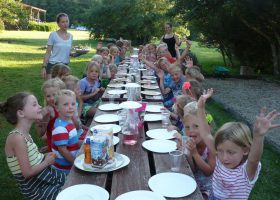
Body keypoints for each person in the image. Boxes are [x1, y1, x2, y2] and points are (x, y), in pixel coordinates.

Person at [197, 88, 280, 199]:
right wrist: (200, 107)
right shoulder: (219, 155)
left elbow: (254, 159)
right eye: (220, 150)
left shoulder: (246, 172)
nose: (224, 157)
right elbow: (205, 133)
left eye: (231, 152)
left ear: (245, 150)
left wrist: (258, 136)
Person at [0, 92, 66, 200]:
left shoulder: (24, 135)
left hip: (45, 180)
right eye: (34, 104)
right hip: (38, 191)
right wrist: (46, 162)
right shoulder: (17, 138)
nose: (40, 106)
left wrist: (43, 156)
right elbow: (27, 173)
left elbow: (31, 159)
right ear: (21, 113)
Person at [52, 90, 80, 174]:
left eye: (73, 104)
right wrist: (76, 163)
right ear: (57, 108)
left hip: (71, 163)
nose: (70, 107)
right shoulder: (60, 128)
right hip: (65, 169)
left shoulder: (68, 121)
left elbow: (72, 141)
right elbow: (63, 151)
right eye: (66, 104)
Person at [37, 78, 66, 152]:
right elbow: (40, 133)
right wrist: (42, 120)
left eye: (54, 95)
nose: (52, 98)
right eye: (48, 96)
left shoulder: (67, 106)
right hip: (57, 148)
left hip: (68, 140)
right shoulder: (48, 111)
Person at [42, 13, 73, 79]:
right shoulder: (53, 35)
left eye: (67, 21)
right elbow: (48, 52)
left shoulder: (71, 36)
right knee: (51, 87)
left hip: (65, 66)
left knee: (63, 88)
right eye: (63, 22)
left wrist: (74, 54)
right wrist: (44, 67)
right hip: (53, 66)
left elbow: (68, 52)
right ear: (58, 24)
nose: (65, 24)